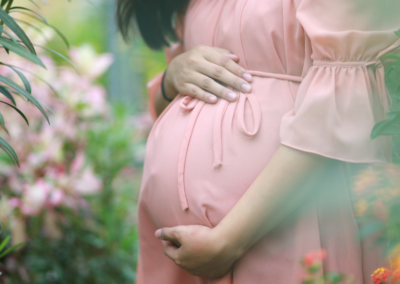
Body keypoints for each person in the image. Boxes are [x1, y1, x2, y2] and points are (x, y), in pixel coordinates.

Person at [116, 0, 400, 283]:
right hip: (186, 258)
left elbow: (344, 110)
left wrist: (227, 242)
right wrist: (171, 76)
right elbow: (167, 105)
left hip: (292, 219)